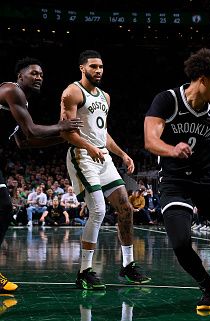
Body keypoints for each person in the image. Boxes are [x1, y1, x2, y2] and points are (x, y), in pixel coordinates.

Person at [144, 48, 210, 312]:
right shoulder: (167, 101)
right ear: (202, 79)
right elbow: (150, 140)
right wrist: (171, 149)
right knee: (180, 242)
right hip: (175, 180)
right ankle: (208, 287)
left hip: (209, 180)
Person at [60, 50, 151, 290]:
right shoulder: (72, 92)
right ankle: (84, 272)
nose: (98, 70)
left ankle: (128, 266)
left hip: (103, 156)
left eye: (101, 66)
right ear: (82, 68)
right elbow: (66, 131)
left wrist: (122, 154)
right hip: (82, 156)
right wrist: (90, 148)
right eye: (93, 66)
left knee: (125, 208)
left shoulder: (105, 97)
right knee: (98, 211)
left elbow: (103, 134)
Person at [0, 57, 83, 291]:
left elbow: (25, 142)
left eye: (42, 75)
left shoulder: (20, 104)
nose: (39, 77)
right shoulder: (12, 91)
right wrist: (63, 127)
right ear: (20, 76)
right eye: (34, 73)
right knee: (4, 207)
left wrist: (63, 138)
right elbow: (32, 129)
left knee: (4, 208)